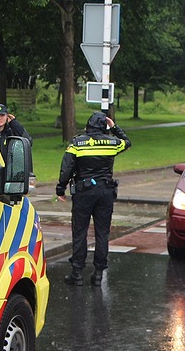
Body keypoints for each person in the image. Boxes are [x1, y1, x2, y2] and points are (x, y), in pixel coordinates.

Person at [56, 111, 131, 286]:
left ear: (88, 125)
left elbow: (66, 167)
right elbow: (127, 142)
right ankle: (98, 274)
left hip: (84, 192)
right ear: (104, 126)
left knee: (80, 232)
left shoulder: (77, 143)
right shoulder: (112, 143)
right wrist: (115, 128)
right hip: (105, 192)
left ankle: (77, 273)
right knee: (102, 233)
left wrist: (61, 188)